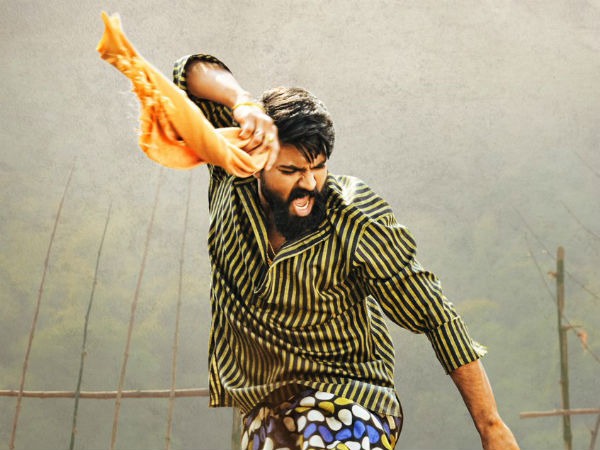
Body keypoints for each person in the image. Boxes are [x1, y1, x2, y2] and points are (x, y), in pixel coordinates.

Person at [166, 53, 520, 450]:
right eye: (290, 171)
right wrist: (242, 104)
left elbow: (436, 316)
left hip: (351, 400)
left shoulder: (354, 220)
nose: (308, 185)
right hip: (267, 412)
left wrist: (491, 426)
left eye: (317, 168)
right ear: (255, 162)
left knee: (316, 426)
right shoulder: (230, 169)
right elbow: (189, 75)